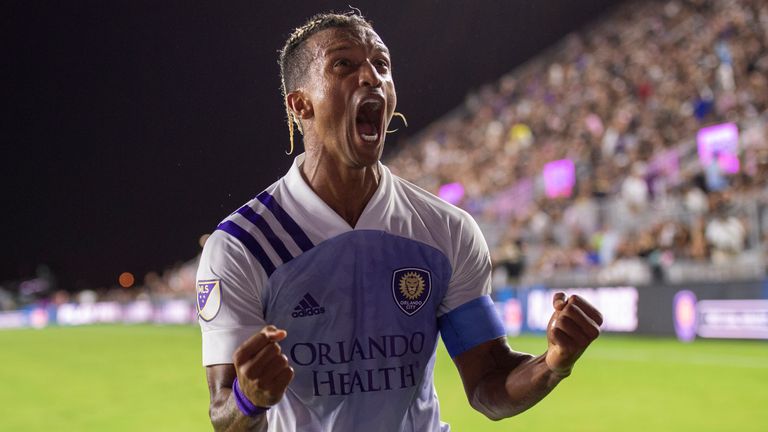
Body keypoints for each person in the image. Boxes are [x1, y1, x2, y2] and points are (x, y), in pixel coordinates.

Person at [196, 12, 603, 432]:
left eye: (382, 65)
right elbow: (224, 415)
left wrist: (553, 364)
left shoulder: (446, 230)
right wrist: (249, 398)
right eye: (344, 65)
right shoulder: (243, 245)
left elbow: (489, 385)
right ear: (301, 104)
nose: (371, 76)